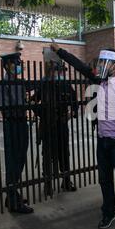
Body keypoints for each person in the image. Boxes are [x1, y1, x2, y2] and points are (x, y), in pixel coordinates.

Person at [51, 43, 115, 229]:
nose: (100, 65)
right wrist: (59, 51)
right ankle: (109, 212)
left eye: (105, 62)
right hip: (103, 141)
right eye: (100, 61)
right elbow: (80, 65)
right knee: (104, 180)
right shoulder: (98, 81)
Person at [32, 59, 78, 196]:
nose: (58, 73)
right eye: (56, 70)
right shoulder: (44, 84)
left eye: (60, 71)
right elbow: (34, 101)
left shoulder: (65, 84)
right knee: (48, 155)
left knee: (64, 153)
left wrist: (72, 113)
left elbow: (75, 101)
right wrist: (42, 114)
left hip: (62, 124)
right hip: (47, 125)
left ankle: (66, 180)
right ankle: (48, 183)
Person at [0, 52, 33, 214]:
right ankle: (13, 201)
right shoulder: (2, 84)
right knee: (13, 161)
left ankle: (12, 193)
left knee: (20, 158)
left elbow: (23, 102)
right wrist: (21, 108)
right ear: (6, 65)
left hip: (22, 122)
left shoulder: (20, 83)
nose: (18, 66)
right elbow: (7, 108)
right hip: (12, 124)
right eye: (15, 63)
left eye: (19, 63)